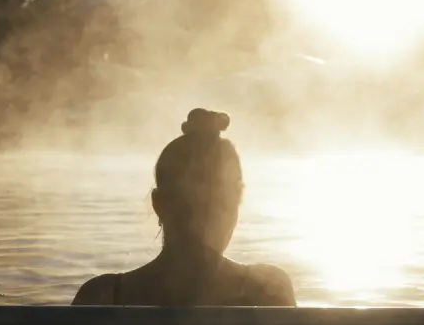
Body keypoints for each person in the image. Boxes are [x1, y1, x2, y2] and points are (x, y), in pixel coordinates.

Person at [72, 108, 296, 306]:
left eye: (219, 201)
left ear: (158, 204)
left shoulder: (102, 296)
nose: (209, 215)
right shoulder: (267, 290)